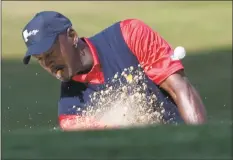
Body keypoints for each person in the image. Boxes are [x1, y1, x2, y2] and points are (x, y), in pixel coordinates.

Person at [21, 11, 206, 131]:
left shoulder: (129, 35)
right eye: (40, 59)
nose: (48, 63)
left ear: (72, 36)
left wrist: (199, 143)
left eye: (51, 52)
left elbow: (180, 88)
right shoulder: (70, 111)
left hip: (183, 138)